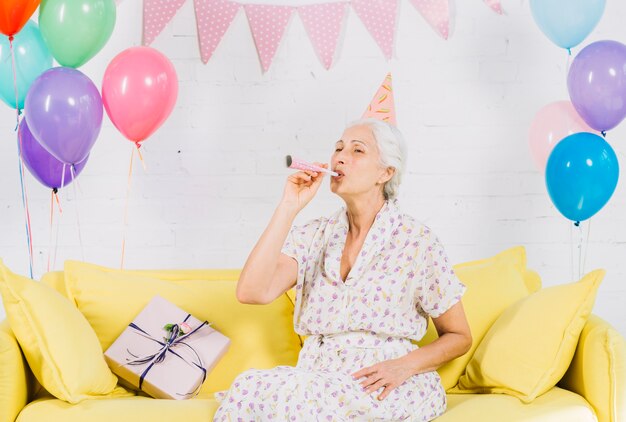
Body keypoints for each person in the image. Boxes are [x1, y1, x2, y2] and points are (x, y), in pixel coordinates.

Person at [213, 118, 472, 421]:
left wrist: (404, 365)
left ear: (386, 173)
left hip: (386, 382)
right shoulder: (313, 236)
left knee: (303, 401)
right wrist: (289, 206)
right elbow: (251, 292)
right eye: (338, 148)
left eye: (357, 150)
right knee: (248, 387)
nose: (339, 157)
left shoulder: (417, 242)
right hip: (317, 382)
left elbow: (459, 336)